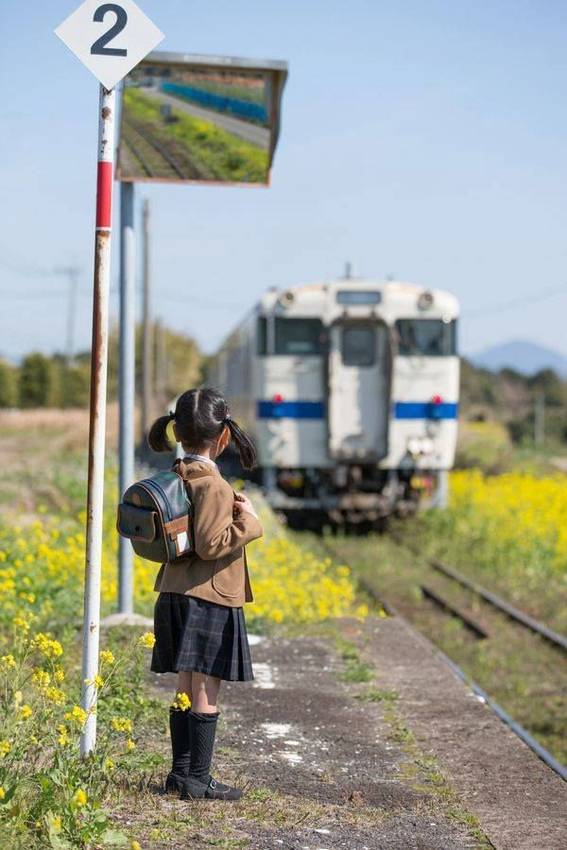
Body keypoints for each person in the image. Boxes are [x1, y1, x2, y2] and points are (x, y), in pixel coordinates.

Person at [147, 387, 263, 801]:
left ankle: (179, 773)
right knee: (205, 686)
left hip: (175, 592)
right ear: (224, 437)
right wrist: (249, 522)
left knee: (184, 680)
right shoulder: (213, 485)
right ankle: (199, 777)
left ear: (177, 432)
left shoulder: (177, 475)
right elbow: (214, 544)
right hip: (209, 596)